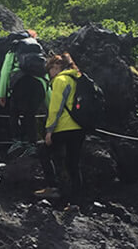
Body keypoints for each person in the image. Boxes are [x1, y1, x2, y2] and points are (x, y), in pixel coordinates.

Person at [35, 53, 85, 206]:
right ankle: (77, 201)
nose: (50, 72)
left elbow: (55, 108)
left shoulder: (60, 80)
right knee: (73, 164)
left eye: (51, 68)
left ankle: (52, 187)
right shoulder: (77, 79)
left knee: (43, 151)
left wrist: (49, 131)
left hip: (64, 127)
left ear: (57, 68)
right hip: (79, 128)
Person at [0, 30, 49, 157]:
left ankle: (17, 141)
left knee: (14, 112)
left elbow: (5, 72)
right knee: (30, 114)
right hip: (39, 84)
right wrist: (50, 104)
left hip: (20, 83)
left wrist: (2, 93)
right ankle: (32, 144)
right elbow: (45, 74)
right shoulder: (38, 50)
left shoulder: (14, 50)